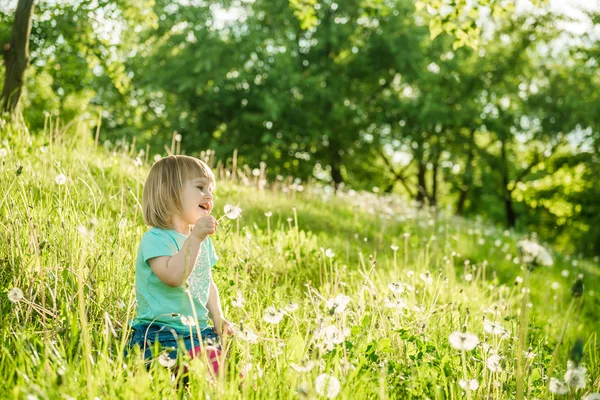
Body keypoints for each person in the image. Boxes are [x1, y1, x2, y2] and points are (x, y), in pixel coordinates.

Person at [126, 155, 235, 376]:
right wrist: (194, 239)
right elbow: (174, 277)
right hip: (159, 332)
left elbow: (206, 282)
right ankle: (191, 369)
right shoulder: (155, 239)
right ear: (171, 191)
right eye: (200, 186)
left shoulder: (201, 241)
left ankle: (207, 372)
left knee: (216, 357)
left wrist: (218, 317)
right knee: (174, 362)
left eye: (211, 189)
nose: (209, 195)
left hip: (199, 330)